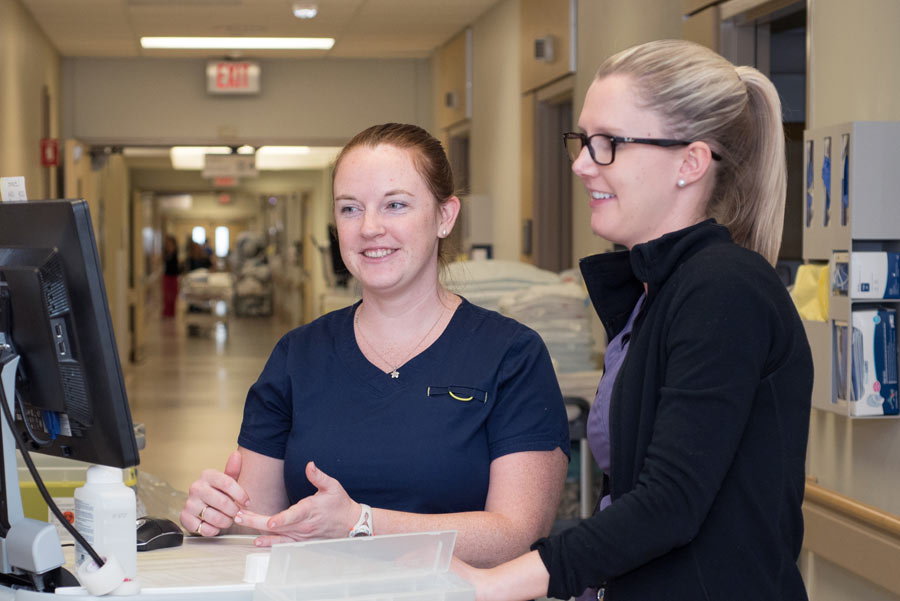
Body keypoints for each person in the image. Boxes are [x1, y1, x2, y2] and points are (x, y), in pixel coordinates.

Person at [454, 39, 814, 600]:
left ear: (690, 162)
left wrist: (495, 584)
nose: (580, 164)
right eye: (582, 141)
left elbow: (669, 503)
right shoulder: (657, 292)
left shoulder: (724, 288)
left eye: (608, 144)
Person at [180, 123, 571, 567]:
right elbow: (264, 526)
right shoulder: (297, 356)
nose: (369, 227)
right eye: (350, 209)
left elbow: (517, 534)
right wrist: (219, 517)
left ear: (445, 216)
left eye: (396, 205)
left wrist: (359, 523)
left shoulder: (510, 355)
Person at [162, 234, 179, 317]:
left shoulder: (175, 253)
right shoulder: (166, 254)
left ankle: (172, 313)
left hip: (173, 277)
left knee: (173, 296)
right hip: (167, 277)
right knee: (166, 296)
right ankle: (167, 312)